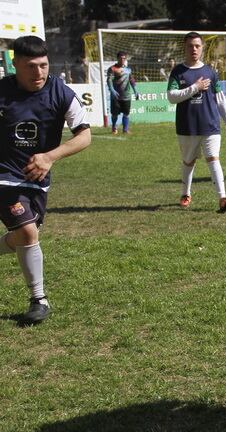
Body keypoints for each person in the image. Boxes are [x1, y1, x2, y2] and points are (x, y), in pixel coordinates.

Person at [0, 36, 92, 323]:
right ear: (14, 64)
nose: (38, 73)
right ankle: (39, 298)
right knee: (28, 233)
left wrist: (50, 156)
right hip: (4, 177)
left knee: (22, 238)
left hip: (38, 181)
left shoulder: (60, 92)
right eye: (30, 66)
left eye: (43, 65)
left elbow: (84, 136)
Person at [167, 32, 226, 213]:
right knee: (188, 162)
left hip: (210, 125)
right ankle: (185, 193)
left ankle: (222, 198)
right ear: (185, 47)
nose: (194, 49)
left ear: (202, 48)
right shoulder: (177, 72)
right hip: (187, 127)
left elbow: (220, 99)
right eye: (190, 45)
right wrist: (195, 88)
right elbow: (172, 97)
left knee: (213, 158)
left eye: (197, 46)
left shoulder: (210, 72)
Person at [106, 51, 139, 135]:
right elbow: (109, 81)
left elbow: (131, 80)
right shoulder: (112, 69)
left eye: (124, 58)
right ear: (117, 59)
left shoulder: (128, 69)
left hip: (126, 95)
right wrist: (112, 90)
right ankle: (114, 127)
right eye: (121, 58)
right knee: (115, 114)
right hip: (116, 96)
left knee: (126, 113)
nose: (122, 60)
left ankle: (125, 130)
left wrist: (135, 91)